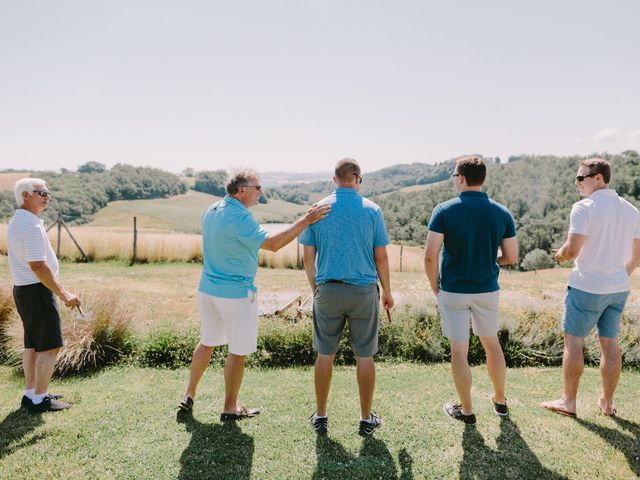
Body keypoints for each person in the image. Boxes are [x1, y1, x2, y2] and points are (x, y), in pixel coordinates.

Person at [178, 168, 330, 420]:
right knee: (237, 350)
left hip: (207, 290)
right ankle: (230, 407)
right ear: (241, 191)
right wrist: (307, 220)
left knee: (207, 342)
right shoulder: (239, 217)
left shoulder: (213, 209)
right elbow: (273, 244)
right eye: (257, 188)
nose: (261, 192)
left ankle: (189, 394)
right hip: (235, 294)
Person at [300, 158, 394, 437]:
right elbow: (382, 257)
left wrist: (315, 289)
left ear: (334, 179)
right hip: (364, 292)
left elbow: (308, 260)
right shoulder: (372, 210)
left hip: (327, 290)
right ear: (357, 179)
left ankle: (321, 416)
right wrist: (387, 292)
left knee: (324, 354)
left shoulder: (317, 211)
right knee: (365, 356)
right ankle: (366, 420)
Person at [542, 158, 640, 417]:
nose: (578, 183)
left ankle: (569, 402)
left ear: (599, 178)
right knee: (610, 344)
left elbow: (572, 249)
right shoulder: (631, 210)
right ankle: (607, 403)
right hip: (617, 288)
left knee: (573, 342)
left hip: (587, 286)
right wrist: (620, 275)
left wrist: (560, 255)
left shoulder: (583, 207)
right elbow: (637, 252)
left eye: (581, 178)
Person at [424, 156, 518, 424]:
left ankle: (466, 411)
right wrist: (490, 259)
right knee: (492, 345)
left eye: (454, 176)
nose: (453, 180)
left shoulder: (443, 210)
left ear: (461, 178)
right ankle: (500, 401)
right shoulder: (502, 213)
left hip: (453, 290)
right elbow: (511, 257)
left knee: (458, 351)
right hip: (487, 289)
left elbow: (430, 257)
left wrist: (436, 289)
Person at [7, 178, 81, 412]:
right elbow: (38, 266)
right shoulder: (30, 225)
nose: (47, 196)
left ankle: (31, 393)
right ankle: (40, 398)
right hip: (37, 290)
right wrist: (63, 294)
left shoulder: (20, 220)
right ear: (26, 196)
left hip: (24, 290)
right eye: (42, 193)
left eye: (48, 192)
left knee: (33, 345)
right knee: (49, 347)